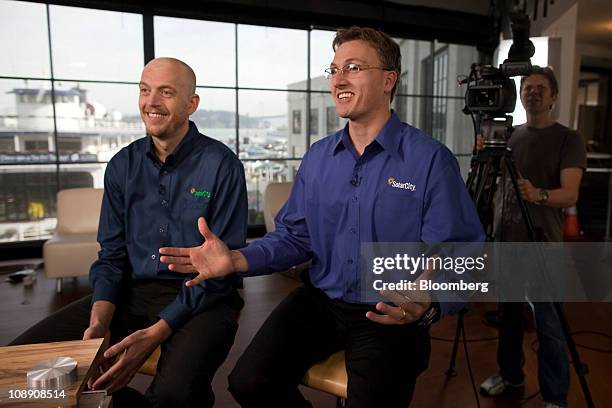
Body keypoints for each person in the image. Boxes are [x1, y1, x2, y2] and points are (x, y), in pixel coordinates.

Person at [161, 27, 484, 407]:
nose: (339, 79)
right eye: (334, 70)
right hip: (322, 302)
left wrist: (430, 297)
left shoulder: (430, 160)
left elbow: (463, 255)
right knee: (248, 381)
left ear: (388, 80)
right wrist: (237, 258)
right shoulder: (318, 157)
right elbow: (294, 237)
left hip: (389, 310)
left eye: (353, 67)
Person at [10, 57, 248, 408]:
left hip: (204, 297)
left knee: (173, 395)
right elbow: (111, 256)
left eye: (166, 92)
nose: (151, 102)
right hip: (131, 292)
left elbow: (221, 274)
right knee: (20, 362)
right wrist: (100, 319)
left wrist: (157, 332)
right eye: (144, 90)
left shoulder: (222, 165)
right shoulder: (122, 165)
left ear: (191, 104)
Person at [478, 66, 586, 408]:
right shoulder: (509, 135)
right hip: (507, 240)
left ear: (553, 96)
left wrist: (538, 194)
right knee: (509, 317)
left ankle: (555, 398)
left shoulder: (569, 139)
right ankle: (510, 375)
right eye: (527, 87)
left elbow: (570, 195)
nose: (532, 92)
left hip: (543, 245)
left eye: (540, 87)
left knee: (549, 325)